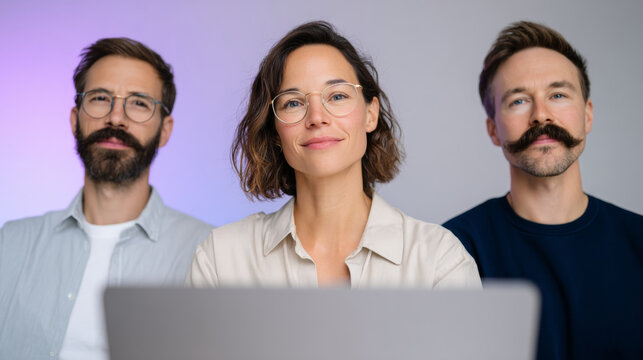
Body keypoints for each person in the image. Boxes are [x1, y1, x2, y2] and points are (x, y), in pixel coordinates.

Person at [187, 21, 480, 289]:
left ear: (370, 114)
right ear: (275, 131)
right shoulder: (221, 260)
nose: (317, 117)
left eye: (337, 96)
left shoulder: (438, 260)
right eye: (293, 103)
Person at [0, 38, 213, 359]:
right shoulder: (10, 245)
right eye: (101, 98)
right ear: (75, 119)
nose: (116, 118)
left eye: (139, 103)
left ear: (165, 130)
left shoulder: (208, 254)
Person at [443, 21, 643, 360]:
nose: (541, 115)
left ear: (588, 114)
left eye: (558, 95)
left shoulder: (639, 239)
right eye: (519, 100)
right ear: (493, 130)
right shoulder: (451, 252)